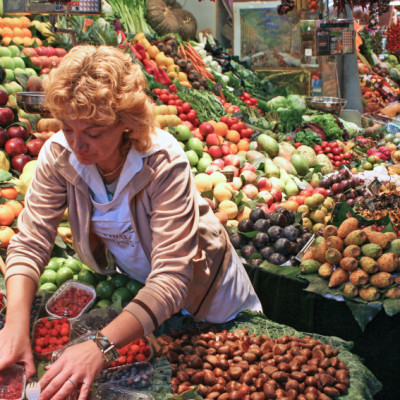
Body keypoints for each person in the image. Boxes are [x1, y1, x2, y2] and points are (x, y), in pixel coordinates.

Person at [0, 45, 262, 400]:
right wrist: (14, 326)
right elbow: (31, 241)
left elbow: (172, 275)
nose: (78, 145)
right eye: (68, 127)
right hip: (148, 296)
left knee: (224, 376)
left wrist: (100, 344)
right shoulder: (59, 154)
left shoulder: (162, 162)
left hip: (208, 295)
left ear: (126, 123)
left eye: (93, 132)